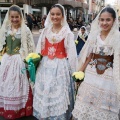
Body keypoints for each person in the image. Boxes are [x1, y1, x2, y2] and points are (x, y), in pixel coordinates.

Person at [72, 6, 120, 120]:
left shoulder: (117, 38)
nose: (104, 22)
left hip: (108, 78)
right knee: (87, 103)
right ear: (98, 20)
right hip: (91, 75)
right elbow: (88, 56)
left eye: (108, 20)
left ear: (114, 21)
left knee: (104, 106)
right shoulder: (94, 36)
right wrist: (80, 72)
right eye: (102, 19)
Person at [33, 4, 77, 120]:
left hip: (60, 66)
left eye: (58, 14)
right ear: (49, 15)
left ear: (62, 16)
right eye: (52, 14)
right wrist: (35, 63)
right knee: (46, 89)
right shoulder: (45, 31)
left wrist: (74, 72)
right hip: (45, 65)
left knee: (57, 91)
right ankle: (45, 113)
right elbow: (39, 49)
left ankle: (57, 115)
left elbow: (72, 54)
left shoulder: (67, 33)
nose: (55, 16)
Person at [0, 5, 35, 119]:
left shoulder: (25, 30)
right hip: (6, 60)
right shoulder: (6, 28)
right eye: (12, 17)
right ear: (9, 17)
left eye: (17, 17)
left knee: (18, 85)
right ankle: (6, 108)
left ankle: (19, 109)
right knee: (6, 83)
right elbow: (2, 44)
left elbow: (30, 47)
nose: (14, 19)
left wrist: (27, 59)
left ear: (21, 17)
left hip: (18, 60)